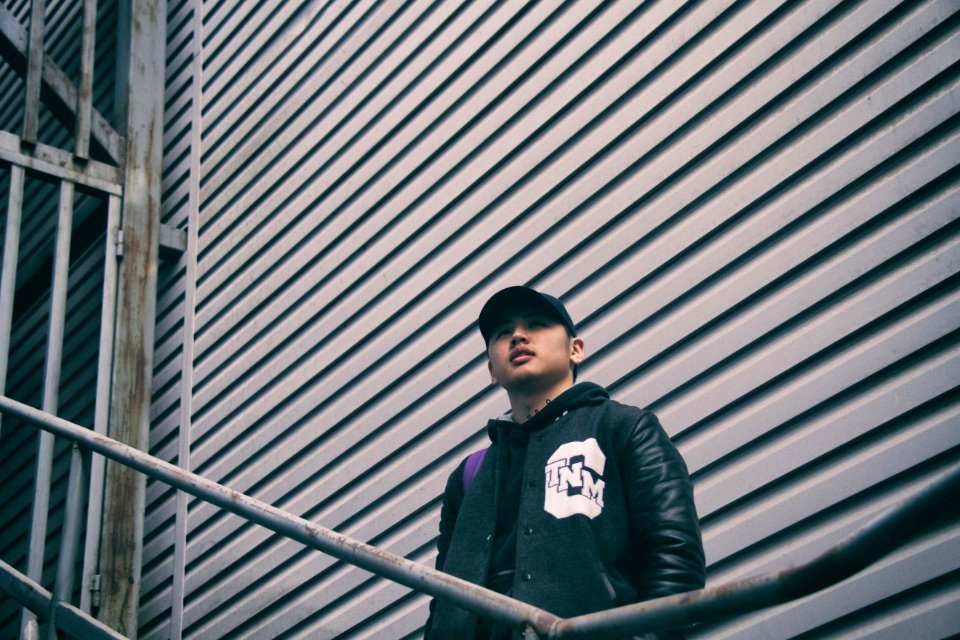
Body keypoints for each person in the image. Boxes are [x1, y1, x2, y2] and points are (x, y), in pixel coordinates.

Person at [424, 286, 705, 640]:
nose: (519, 336)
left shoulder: (624, 429)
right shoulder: (467, 475)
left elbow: (674, 554)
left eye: (537, 324)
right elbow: (443, 594)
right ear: (491, 370)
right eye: (503, 333)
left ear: (576, 349)